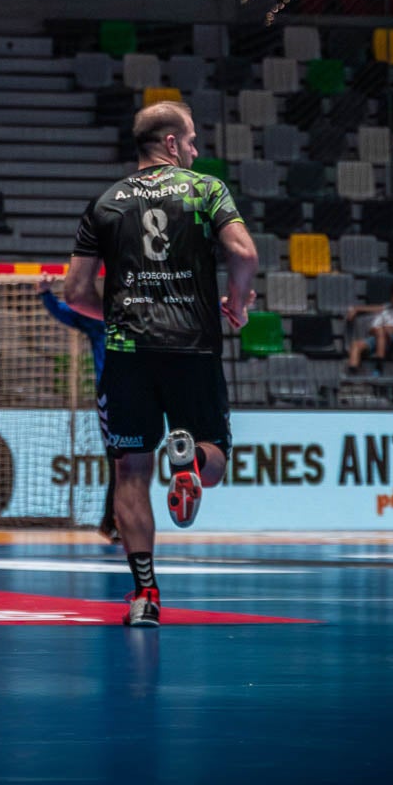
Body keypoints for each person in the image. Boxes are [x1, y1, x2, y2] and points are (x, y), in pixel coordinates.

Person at [64, 101, 258, 627]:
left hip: (128, 352)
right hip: (192, 346)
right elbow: (243, 252)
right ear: (171, 143)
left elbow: (75, 291)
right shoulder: (205, 189)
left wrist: (118, 310)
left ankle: (145, 594)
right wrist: (238, 303)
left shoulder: (105, 203)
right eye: (192, 141)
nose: (196, 151)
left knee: (130, 471)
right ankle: (190, 459)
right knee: (213, 460)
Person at [37, 274, 117, 542]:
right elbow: (67, 313)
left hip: (140, 394)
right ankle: (111, 521)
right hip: (111, 395)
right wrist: (46, 294)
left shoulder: (141, 315)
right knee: (120, 461)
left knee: (134, 462)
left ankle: (113, 520)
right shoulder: (100, 318)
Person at [346, 280, 393, 376]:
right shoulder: (385, 311)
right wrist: (384, 330)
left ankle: (379, 366)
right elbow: (373, 329)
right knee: (356, 345)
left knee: (388, 336)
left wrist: (390, 330)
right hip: (380, 339)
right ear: (391, 297)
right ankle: (352, 378)